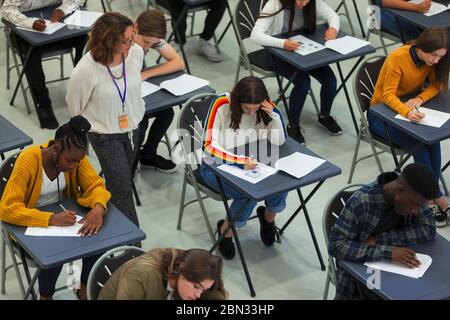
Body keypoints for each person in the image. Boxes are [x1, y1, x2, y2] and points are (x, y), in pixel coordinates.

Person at [0, 116, 111, 300]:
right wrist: (50, 219)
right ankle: (45, 295)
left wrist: (98, 209)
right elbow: (7, 209)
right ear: (56, 148)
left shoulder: (76, 158)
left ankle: (83, 286)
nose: (74, 166)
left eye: (77, 162)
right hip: (27, 226)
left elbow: (96, 186)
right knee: (56, 252)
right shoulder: (28, 160)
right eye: (70, 161)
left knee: (95, 237)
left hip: (62, 221)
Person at [67, 12, 145, 228]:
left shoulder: (135, 53)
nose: (132, 43)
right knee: (122, 188)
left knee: (119, 184)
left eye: (132, 37)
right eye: (125, 41)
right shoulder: (85, 70)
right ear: (109, 41)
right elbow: (75, 108)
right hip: (104, 135)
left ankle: (113, 230)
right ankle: (134, 246)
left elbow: (132, 87)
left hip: (133, 129)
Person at [369, 27, 450, 226]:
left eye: (441, 57)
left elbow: (436, 85)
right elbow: (387, 95)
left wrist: (419, 99)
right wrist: (407, 112)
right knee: (421, 145)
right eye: (433, 55)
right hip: (381, 115)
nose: (436, 61)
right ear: (422, 47)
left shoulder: (431, 59)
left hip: (406, 107)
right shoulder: (399, 58)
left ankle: (431, 193)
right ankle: (433, 198)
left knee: (433, 140)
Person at [200, 76, 288, 260]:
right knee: (247, 193)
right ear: (237, 100)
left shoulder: (266, 107)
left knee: (283, 181)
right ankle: (226, 231)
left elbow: (279, 141)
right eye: (247, 108)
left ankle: (268, 218)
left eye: (256, 108)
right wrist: (238, 160)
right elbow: (207, 145)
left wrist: (274, 115)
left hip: (254, 161)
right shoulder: (221, 104)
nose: (251, 112)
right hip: (215, 165)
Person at [328, 163, 438, 300]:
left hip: (397, 274)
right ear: (399, 189)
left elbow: (427, 228)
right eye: (414, 204)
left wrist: (379, 241)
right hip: (358, 278)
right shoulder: (362, 202)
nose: (416, 211)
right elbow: (336, 246)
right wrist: (388, 252)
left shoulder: (414, 193)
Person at [250, 0, 342, 144]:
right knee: (303, 83)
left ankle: (325, 116)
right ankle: (293, 125)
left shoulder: (313, 3)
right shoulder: (275, 3)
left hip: (303, 50)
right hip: (277, 53)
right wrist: (283, 43)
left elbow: (333, 16)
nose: (303, 3)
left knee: (330, 80)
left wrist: (333, 28)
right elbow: (255, 35)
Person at [2, 0, 88, 129]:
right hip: (23, 27)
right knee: (32, 52)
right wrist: (30, 23)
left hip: (55, 24)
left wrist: (63, 9)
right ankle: (43, 104)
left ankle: (84, 90)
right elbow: (7, 10)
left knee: (85, 39)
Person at [133, 9, 185, 173]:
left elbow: (178, 62)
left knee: (166, 113)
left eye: (152, 43)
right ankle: (129, 163)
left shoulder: (151, 37)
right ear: (135, 27)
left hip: (139, 87)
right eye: (145, 41)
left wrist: (146, 74)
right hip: (118, 96)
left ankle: (147, 156)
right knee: (140, 122)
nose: (147, 46)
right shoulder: (121, 40)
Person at [98, 248, 227, 300]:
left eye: (203, 289)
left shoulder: (185, 261)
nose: (198, 295)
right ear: (181, 269)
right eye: (197, 287)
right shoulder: (140, 276)